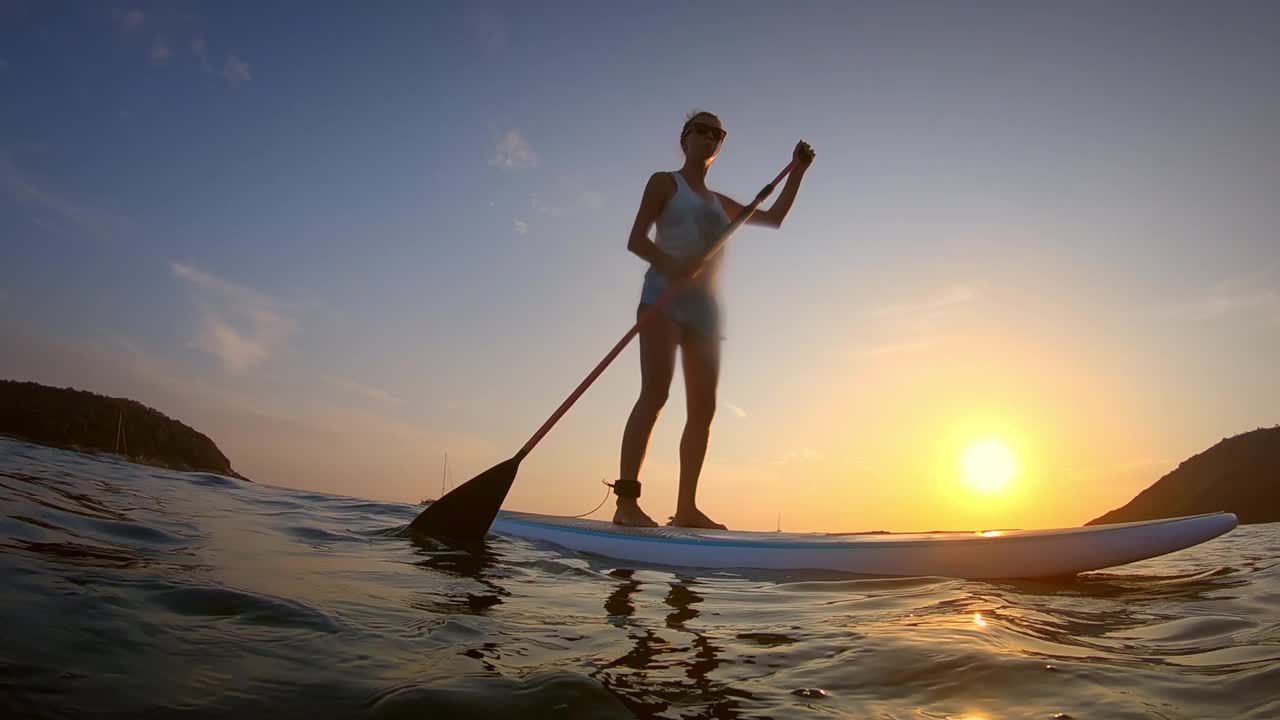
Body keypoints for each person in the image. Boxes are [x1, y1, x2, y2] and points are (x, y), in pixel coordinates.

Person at [612, 110, 815, 529]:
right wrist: (672, 264)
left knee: (703, 410)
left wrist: (797, 171)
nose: (709, 137)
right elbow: (635, 240)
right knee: (655, 395)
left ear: (720, 145)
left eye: (716, 133)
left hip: (705, 310)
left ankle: (686, 509)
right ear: (684, 139)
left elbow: (774, 218)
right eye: (700, 130)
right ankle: (626, 504)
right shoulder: (664, 182)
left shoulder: (721, 203)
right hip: (661, 300)